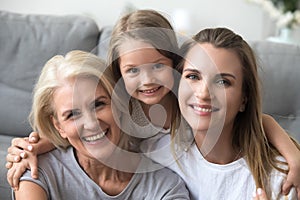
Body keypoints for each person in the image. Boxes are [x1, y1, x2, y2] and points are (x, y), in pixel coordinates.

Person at [6, 9, 300, 198]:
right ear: (118, 75)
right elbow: (81, 127)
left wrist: (292, 152)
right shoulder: (119, 111)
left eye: (158, 66)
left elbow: (255, 119)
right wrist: (33, 146)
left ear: (175, 65)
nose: (147, 81)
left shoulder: (189, 106)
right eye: (132, 71)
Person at [142, 27, 300, 199]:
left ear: (244, 99)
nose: (203, 93)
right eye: (193, 77)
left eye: (223, 81)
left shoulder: (282, 179)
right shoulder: (156, 152)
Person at [9, 50, 190, 199]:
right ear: (58, 126)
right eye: (72, 114)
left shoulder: (165, 187)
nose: (91, 123)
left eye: (99, 104)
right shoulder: (35, 169)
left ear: (118, 105)